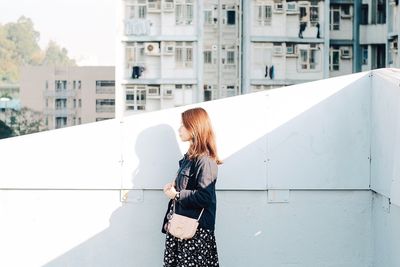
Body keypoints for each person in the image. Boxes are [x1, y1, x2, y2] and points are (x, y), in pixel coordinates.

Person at [162, 107, 222, 267]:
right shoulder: (189, 158)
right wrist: (173, 190)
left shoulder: (205, 160)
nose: (179, 129)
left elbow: (205, 196)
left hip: (195, 233)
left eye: (183, 125)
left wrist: (176, 195)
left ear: (194, 128)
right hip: (181, 229)